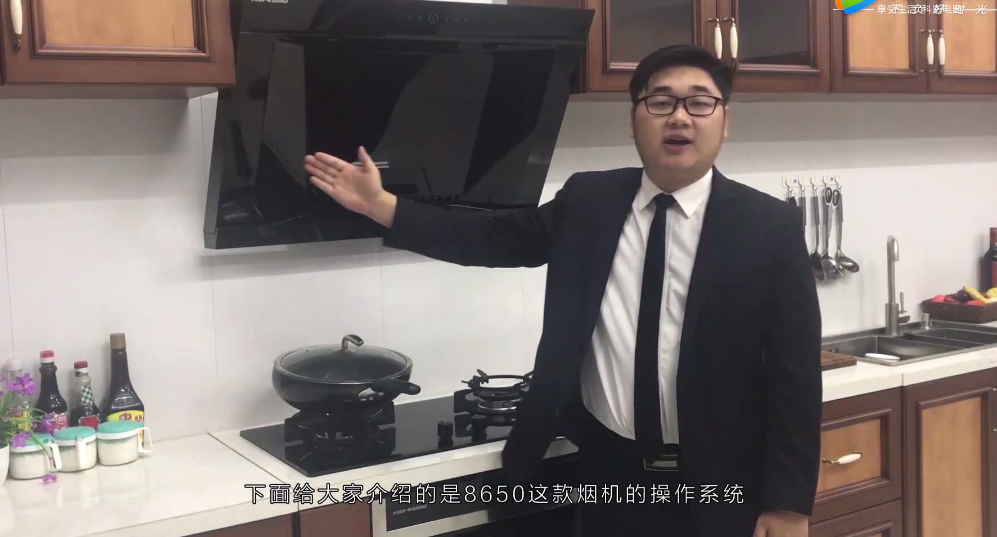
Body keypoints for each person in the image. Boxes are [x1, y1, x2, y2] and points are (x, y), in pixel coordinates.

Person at [304, 44, 822, 537]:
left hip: (720, 485)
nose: (679, 117)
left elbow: (795, 377)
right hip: (610, 476)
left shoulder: (769, 226)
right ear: (634, 121)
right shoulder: (590, 201)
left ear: (724, 122)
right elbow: (493, 237)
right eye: (660, 102)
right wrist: (384, 207)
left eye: (700, 103)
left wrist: (789, 504)